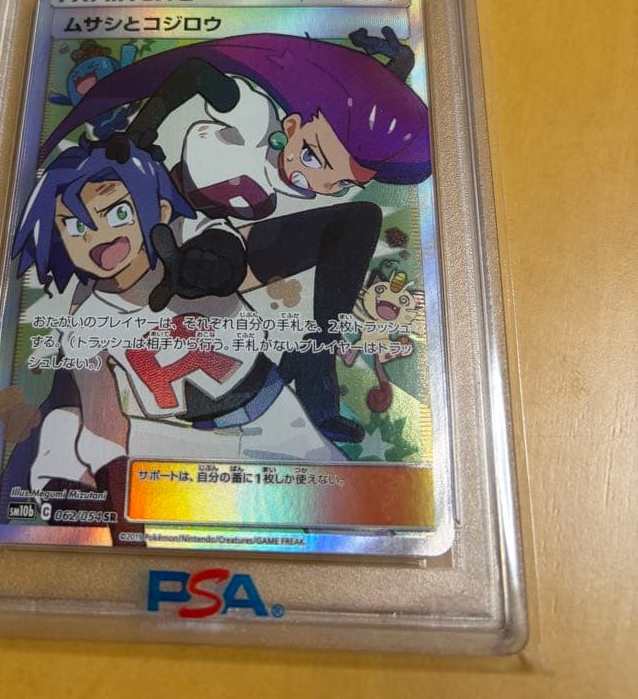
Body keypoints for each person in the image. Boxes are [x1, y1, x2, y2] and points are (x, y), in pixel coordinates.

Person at [36, 29, 431, 444]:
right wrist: (141, 132)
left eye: (340, 183)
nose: (315, 182)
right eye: (311, 157)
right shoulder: (254, 118)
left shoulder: (307, 176)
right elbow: (196, 72)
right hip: (156, 225)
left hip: (216, 245)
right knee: (90, 321)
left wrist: (393, 70)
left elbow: (345, 120)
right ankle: (60, 425)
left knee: (360, 219)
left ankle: (315, 364)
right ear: (292, 125)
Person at [2, 138, 342, 521]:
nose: (98, 237)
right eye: (76, 225)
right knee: (67, 428)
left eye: (117, 213)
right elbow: (103, 422)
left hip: (276, 420)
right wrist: (105, 485)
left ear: (161, 209)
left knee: (340, 501)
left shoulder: (185, 241)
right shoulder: (86, 323)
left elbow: (228, 242)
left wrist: (216, 259)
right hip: (194, 441)